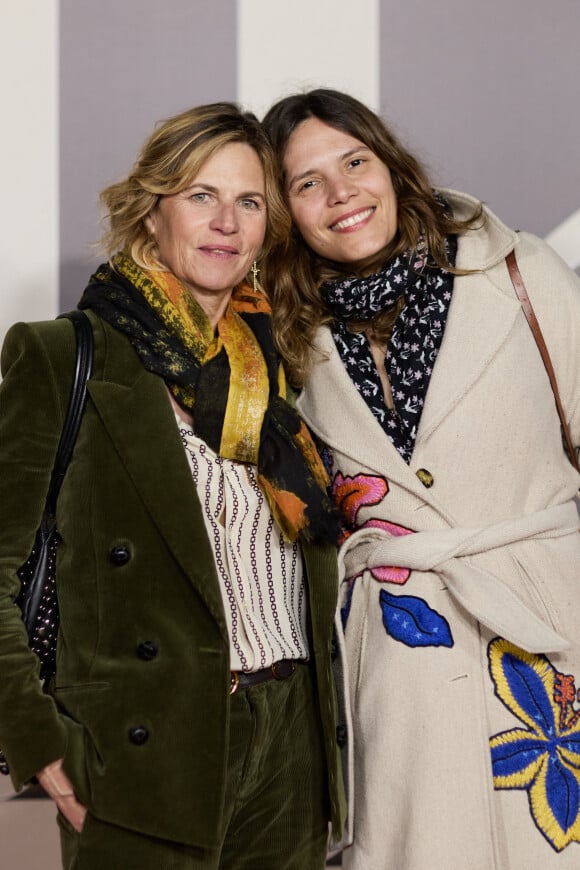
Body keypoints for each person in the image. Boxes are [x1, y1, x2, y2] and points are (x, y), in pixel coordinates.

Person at [0, 102, 347, 870]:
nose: (226, 221)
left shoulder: (280, 365)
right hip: (147, 747)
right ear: (150, 213)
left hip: (289, 744)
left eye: (249, 202)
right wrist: (40, 746)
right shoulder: (63, 356)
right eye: (200, 195)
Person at [261, 88, 580, 870]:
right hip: (401, 669)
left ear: (391, 164)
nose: (341, 194)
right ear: (285, 211)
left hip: (549, 631)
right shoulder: (284, 330)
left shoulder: (520, 271)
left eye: (355, 162)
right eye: (306, 183)